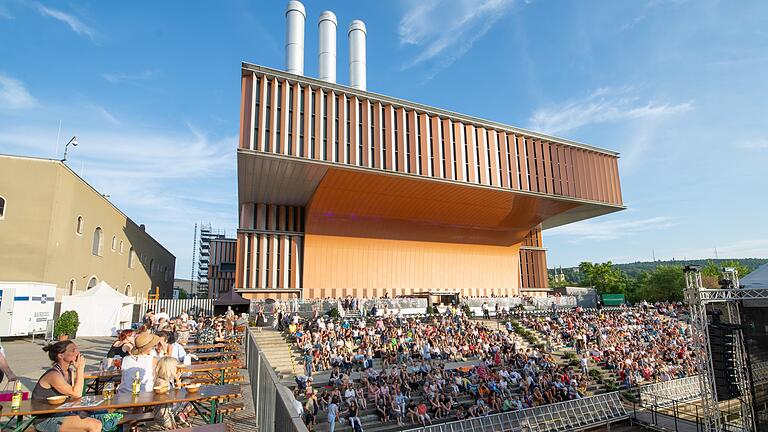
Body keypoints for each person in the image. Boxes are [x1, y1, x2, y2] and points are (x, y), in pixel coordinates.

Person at [32, 341, 102, 432]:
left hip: (63, 413)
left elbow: (75, 397)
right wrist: (80, 369)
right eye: (73, 350)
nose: (77, 353)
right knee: (95, 425)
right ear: (61, 355)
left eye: (77, 349)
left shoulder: (69, 372)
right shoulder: (53, 375)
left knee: (103, 415)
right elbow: (77, 393)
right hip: (46, 419)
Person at [153, 357, 182, 429]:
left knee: (189, 404)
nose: (177, 370)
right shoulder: (162, 384)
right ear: (169, 370)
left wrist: (177, 383)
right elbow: (173, 401)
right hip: (163, 415)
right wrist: (178, 387)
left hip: (168, 412)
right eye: (175, 368)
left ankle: (181, 417)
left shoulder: (167, 381)